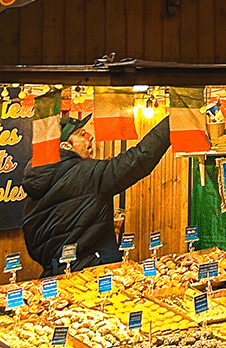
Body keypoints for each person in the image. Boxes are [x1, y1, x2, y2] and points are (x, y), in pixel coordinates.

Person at [22, 112, 172, 273]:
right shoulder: (88, 173)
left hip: (53, 274)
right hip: (94, 273)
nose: (90, 136)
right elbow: (138, 159)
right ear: (65, 146)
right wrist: (172, 122)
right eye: (82, 134)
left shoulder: (36, 179)